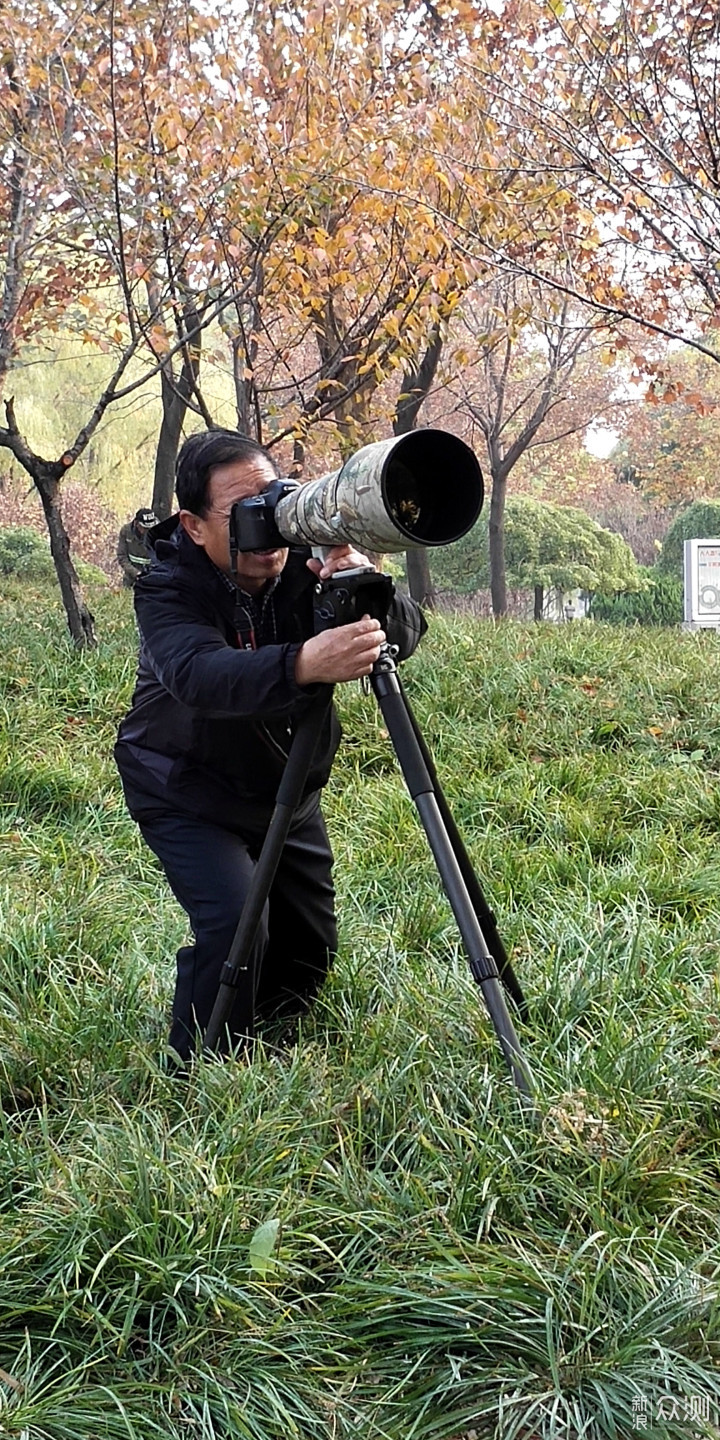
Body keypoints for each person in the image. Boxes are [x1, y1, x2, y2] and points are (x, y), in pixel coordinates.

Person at [114, 429, 427, 1062]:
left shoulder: (305, 564)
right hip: (185, 788)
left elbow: (405, 635)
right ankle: (201, 1066)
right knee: (235, 928)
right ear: (195, 526)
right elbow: (196, 674)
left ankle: (271, 1041)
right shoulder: (168, 584)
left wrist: (360, 580)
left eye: (274, 498)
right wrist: (304, 663)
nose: (266, 523)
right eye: (241, 511)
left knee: (308, 955)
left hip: (286, 786)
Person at [117, 508, 158, 587]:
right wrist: (136, 573)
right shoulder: (126, 531)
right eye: (145, 528)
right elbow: (122, 556)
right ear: (136, 523)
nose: (148, 531)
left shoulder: (160, 532)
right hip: (131, 578)